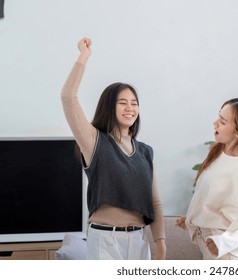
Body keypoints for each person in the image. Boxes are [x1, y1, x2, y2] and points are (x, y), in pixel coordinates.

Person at [60, 37, 166, 260]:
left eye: (134, 103)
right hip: (105, 241)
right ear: (110, 106)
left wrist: (161, 244)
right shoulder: (94, 141)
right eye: (122, 102)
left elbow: (154, 201)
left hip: (139, 240)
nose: (130, 108)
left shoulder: (146, 152)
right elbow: (68, 98)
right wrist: (84, 56)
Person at [176, 97, 238, 260]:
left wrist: (222, 242)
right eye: (218, 117)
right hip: (215, 250)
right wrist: (192, 219)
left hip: (228, 255)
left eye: (222, 121)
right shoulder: (219, 155)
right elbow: (217, 200)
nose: (215, 123)